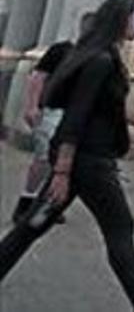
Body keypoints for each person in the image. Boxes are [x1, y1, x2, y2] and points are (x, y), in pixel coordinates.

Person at [0, 0, 134, 312]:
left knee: (34, 224)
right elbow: (76, 116)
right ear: (120, 18)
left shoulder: (101, 56)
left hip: (80, 162)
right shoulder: (100, 60)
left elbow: (112, 110)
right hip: (89, 162)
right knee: (120, 226)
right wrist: (61, 171)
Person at [10, 11, 94, 224]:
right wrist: (31, 106)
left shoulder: (91, 56)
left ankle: (47, 203)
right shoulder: (61, 50)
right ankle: (26, 203)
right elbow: (38, 77)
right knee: (44, 158)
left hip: (72, 116)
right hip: (51, 111)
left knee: (62, 161)